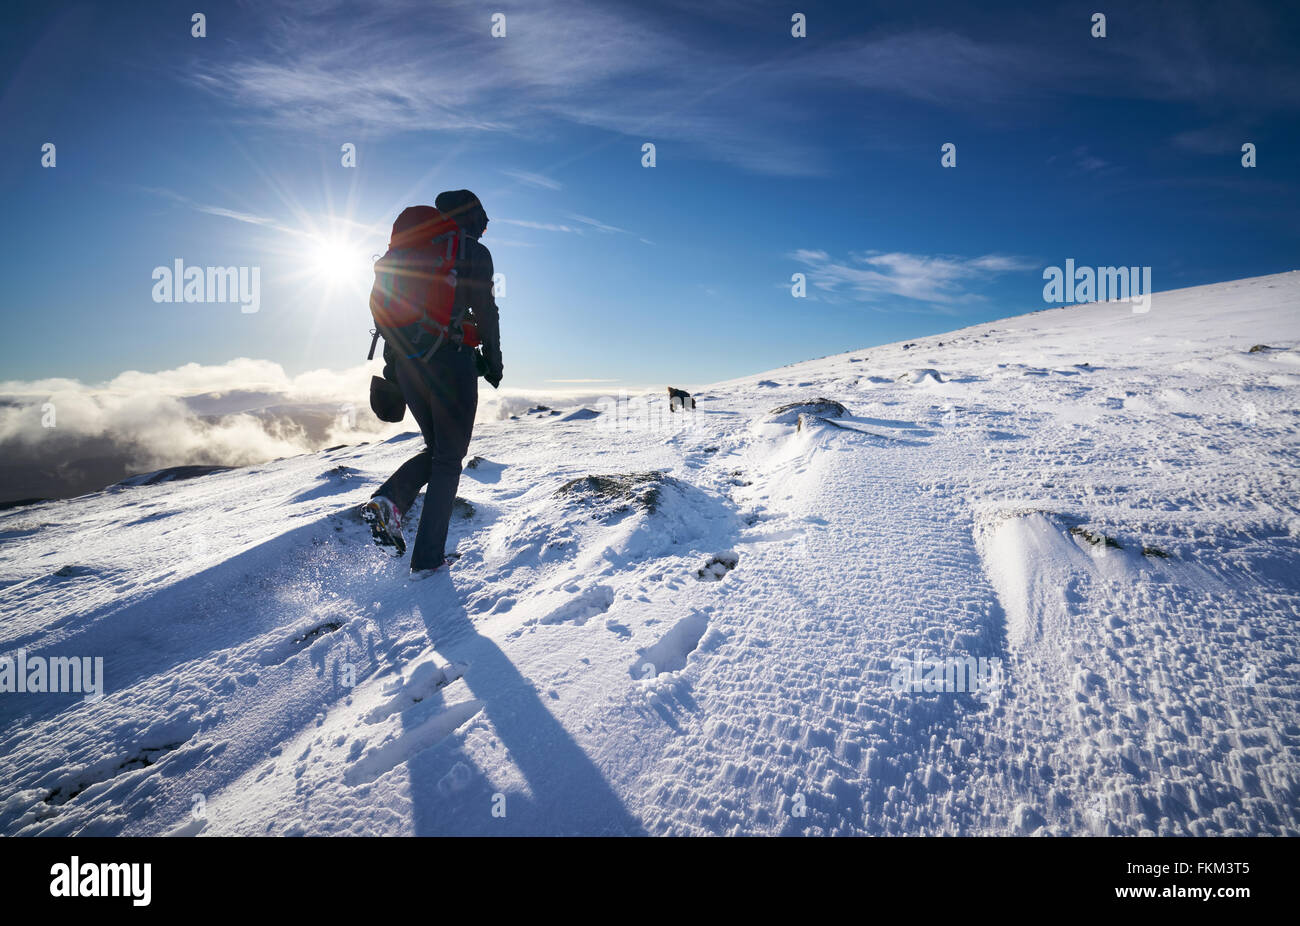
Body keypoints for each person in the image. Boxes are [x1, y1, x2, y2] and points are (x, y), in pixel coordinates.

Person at [362, 190, 503, 577]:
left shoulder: (409, 250)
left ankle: (391, 504)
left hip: (408, 367)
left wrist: (397, 374)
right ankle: (425, 557)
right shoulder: (470, 252)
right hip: (450, 361)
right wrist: (493, 362)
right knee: (448, 457)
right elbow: (486, 310)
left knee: (440, 449)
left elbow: (393, 324)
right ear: (473, 219)